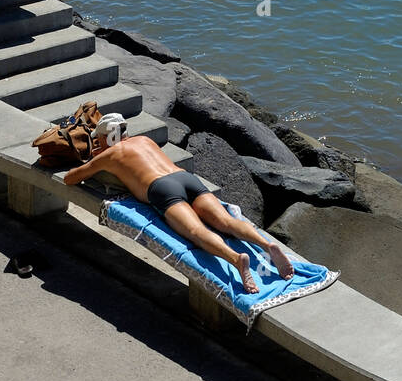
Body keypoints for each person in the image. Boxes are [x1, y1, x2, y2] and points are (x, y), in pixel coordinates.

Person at [64, 116, 294, 294]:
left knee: (196, 231)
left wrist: (94, 157)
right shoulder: (145, 140)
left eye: (99, 138)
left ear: (107, 137)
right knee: (225, 221)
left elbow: (71, 178)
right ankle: (266, 245)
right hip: (185, 178)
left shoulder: (109, 155)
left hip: (161, 189)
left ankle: (236, 259)